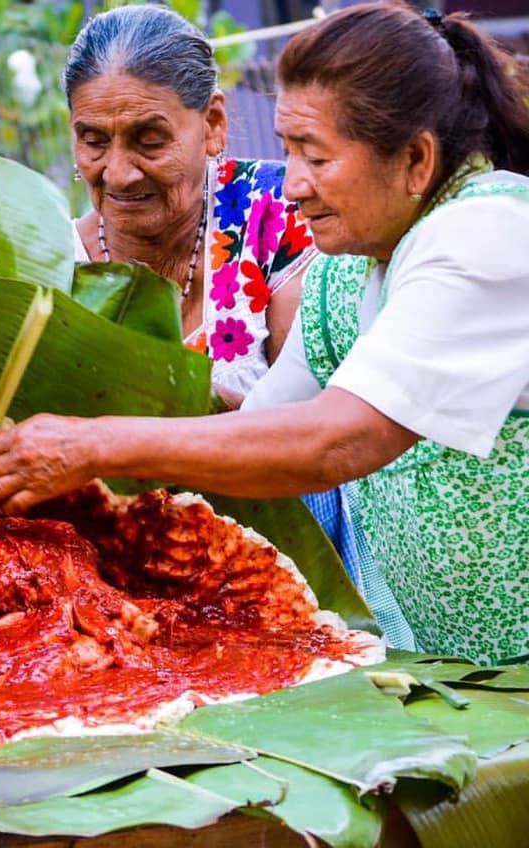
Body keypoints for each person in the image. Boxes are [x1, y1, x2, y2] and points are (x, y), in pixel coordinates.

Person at [0, 1, 529, 666]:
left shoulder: (487, 231)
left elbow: (337, 439)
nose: (289, 187)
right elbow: (261, 434)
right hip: (465, 676)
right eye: (288, 152)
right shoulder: (343, 272)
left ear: (414, 159)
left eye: (314, 157)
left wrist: (91, 444)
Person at [62, 5, 372, 590]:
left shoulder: (286, 217)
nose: (120, 173)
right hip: (115, 582)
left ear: (213, 123)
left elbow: (313, 426)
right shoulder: (54, 262)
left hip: (290, 567)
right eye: (93, 141)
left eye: (150, 141)